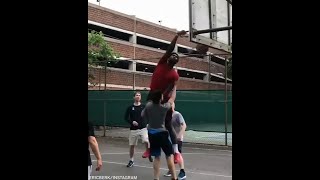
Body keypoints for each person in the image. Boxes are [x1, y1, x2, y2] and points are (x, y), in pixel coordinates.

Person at [147, 30, 187, 164]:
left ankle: (176, 152)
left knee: (168, 125)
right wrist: (176, 36)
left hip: (162, 98)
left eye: (177, 56)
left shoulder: (174, 75)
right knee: (150, 123)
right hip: (152, 95)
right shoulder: (162, 62)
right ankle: (150, 148)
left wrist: (166, 99)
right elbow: (170, 49)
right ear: (169, 57)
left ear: (176, 62)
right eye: (173, 54)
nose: (174, 55)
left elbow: (171, 88)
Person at [142, 89, 178, 180]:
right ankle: (174, 177)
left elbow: (143, 115)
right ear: (160, 98)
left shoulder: (148, 105)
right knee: (169, 155)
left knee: (157, 156)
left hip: (151, 133)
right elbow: (172, 98)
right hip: (162, 133)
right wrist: (174, 88)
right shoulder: (164, 107)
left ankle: (156, 178)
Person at [124, 91, 153, 168]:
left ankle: (148, 152)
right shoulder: (130, 108)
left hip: (143, 128)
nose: (138, 96)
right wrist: (132, 122)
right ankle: (131, 160)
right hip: (133, 129)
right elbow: (126, 118)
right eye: (136, 95)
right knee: (132, 145)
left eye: (139, 95)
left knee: (146, 140)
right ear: (134, 97)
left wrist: (148, 123)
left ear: (140, 97)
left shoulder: (144, 106)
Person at [164, 102, 187, 179]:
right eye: (169, 104)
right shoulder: (165, 115)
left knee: (178, 153)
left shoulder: (177, 114)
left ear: (174, 105)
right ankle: (171, 170)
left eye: (171, 104)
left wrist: (179, 135)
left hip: (177, 138)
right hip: (169, 138)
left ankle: (182, 171)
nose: (170, 105)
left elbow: (184, 125)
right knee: (169, 154)